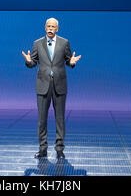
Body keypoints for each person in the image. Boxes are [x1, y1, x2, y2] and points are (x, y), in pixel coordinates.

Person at [22, 18, 81, 159]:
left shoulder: (64, 42)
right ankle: (43, 149)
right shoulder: (37, 43)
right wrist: (29, 62)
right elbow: (33, 63)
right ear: (45, 27)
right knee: (42, 119)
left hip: (59, 85)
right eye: (48, 26)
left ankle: (59, 149)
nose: (50, 29)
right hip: (43, 85)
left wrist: (72, 63)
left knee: (60, 118)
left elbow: (68, 60)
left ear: (57, 29)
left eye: (53, 27)